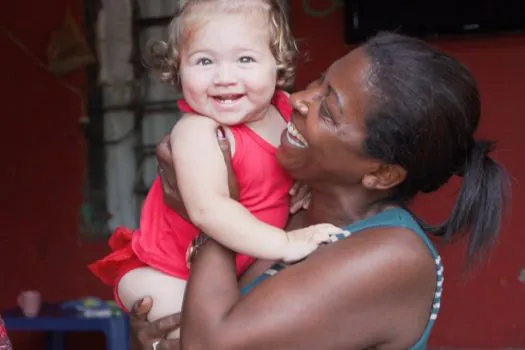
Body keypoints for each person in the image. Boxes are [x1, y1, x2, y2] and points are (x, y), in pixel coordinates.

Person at [131, 32, 509, 350]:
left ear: (381, 173)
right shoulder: (288, 209)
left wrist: (210, 209)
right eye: (319, 81)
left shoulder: (392, 255)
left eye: (327, 111)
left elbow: (210, 346)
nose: (298, 100)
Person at [88, 0, 343, 339]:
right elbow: (209, 210)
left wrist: (308, 180)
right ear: (178, 69)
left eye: (245, 59)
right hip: (169, 273)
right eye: (205, 61)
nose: (224, 77)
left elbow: (310, 160)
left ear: (276, 65)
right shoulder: (198, 132)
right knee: (202, 335)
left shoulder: (285, 111)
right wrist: (285, 243)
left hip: (238, 271)